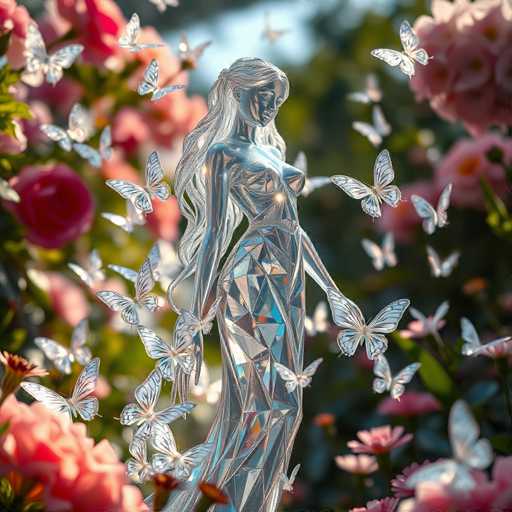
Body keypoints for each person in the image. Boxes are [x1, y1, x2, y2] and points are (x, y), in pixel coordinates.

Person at [166, 57, 342, 511]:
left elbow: (294, 227)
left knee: (288, 408)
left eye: (275, 98)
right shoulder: (223, 154)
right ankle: (215, 504)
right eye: (261, 95)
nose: (268, 105)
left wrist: (334, 291)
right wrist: (196, 313)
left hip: (288, 277)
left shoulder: (273, 153)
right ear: (237, 93)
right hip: (253, 275)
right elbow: (212, 242)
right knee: (261, 408)